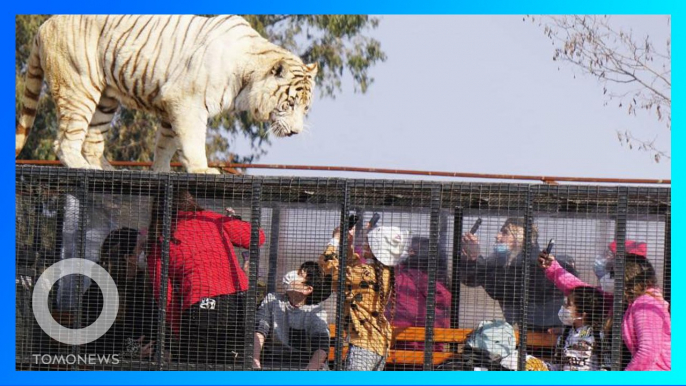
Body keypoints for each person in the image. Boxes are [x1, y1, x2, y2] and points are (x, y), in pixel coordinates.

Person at [147, 190, 266, 364]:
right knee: (234, 368)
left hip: (200, 304)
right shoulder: (210, 218)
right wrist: (235, 221)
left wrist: (179, 329)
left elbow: (164, 293)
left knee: (195, 369)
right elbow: (257, 237)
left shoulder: (161, 238)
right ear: (189, 200)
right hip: (238, 302)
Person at [539, 241, 671, 371]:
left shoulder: (645, 306)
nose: (606, 277)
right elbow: (582, 291)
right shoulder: (624, 300)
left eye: (612, 274)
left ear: (626, 278)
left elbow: (648, 351)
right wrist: (553, 268)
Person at [319, 225, 409, 371]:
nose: (365, 245)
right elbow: (351, 269)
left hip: (365, 345)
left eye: (369, 242)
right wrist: (347, 244)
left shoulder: (365, 273)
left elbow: (329, 269)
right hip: (379, 342)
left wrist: (335, 240)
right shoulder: (382, 272)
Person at [460, 217, 577, 330]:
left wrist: (475, 257)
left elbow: (500, 289)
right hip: (529, 330)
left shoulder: (532, 262)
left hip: (545, 332)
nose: (497, 236)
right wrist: (471, 257)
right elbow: (472, 279)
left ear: (520, 238)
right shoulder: (506, 261)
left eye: (505, 232)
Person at [81, 227, 159, 359]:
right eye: (142, 247)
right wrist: (131, 351)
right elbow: (100, 340)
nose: (147, 252)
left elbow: (152, 330)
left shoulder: (144, 289)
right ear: (128, 257)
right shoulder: (98, 292)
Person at [252, 262, 330, 370]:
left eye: (299, 274)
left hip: (304, 364)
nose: (291, 274)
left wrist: (309, 371)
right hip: (274, 361)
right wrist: (255, 361)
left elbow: (321, 345)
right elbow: (260, 329)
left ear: (307, 289)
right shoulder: (272, 300)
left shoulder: (316, 312)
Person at [385, 236, 452, 352]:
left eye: (409, 250)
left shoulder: (401, 279)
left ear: (413, 254)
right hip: (432, 355)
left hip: (399, 353)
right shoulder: (443, 285)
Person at [546, 286, 606, 371]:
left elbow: (605, 368)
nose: (564, 307)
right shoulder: (565, 336)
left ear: (582, 314)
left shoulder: (597, 336)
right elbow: (558, 366)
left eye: (568, 305)